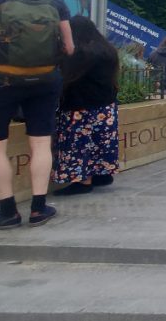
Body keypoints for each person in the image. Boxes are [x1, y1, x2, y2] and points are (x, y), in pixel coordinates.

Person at [0, 0, 73, 229]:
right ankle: (38, 207)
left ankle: (7, 211)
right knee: (41, 143)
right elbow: (69, 47)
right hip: (45, 79)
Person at [51, 15, 120, 196]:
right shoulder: (108, 51)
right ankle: (102, 174)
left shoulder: (79, 53)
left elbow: (66, 79)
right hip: (106, 108)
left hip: (80, 108)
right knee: (101, 143)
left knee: (78, 145)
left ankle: (83, 181)